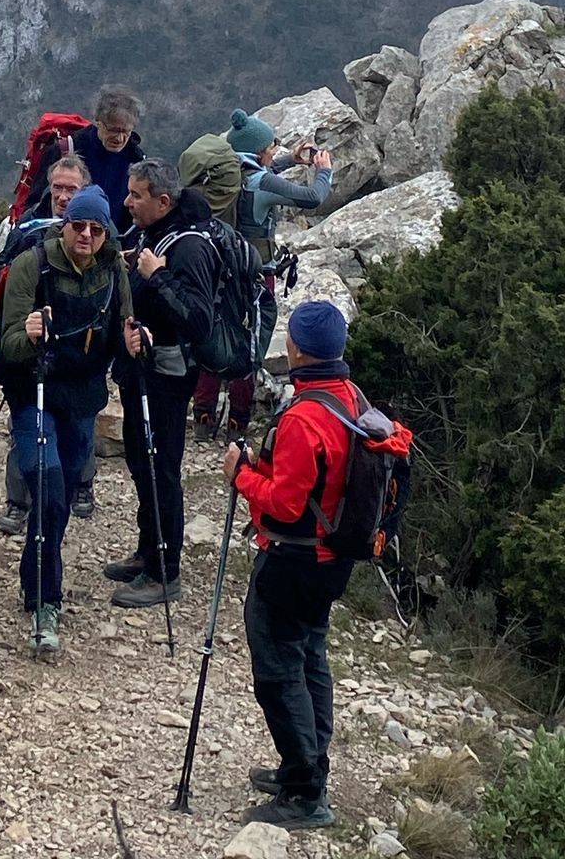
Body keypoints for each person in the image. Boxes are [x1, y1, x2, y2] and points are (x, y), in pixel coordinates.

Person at [223, 300, 357, 832]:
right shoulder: (350, 398)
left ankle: (304, 792)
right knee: (310, 658)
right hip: (332, 559)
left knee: (279, 670)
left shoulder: (304, 417)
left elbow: (285, 504)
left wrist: (241, 475)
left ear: (297, 349)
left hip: (294, 560)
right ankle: (308, 764)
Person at [0, 188, 138, 654]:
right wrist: (28, 334)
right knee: (50, 490)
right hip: (33, 391)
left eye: (96, 229)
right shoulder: (31, 266)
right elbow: (7, 345)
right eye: (79, 226)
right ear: (64, 226)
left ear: (106, 233)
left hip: (82, 399)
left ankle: (34, 575)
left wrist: (132, 345)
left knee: (59, 497)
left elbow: (121, 330)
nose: (87, 236)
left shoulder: (113, 269)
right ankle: (46, 603)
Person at [106, 158, 217, 608]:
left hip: (169, 380)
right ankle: (147, 551)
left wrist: (156, 276)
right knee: (140, 460)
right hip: (142, 371)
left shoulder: (189, 247)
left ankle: (164, 571)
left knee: (161, 469)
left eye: (137, 195)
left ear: (164, 201)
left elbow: (198, 321)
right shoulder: (154, 234)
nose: (127, 202)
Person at [195, 109, 335, 438]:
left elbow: (260, 170)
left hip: (218, 270)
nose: (274, 150)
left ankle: (203, 418)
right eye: (271, 146)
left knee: (214, 337)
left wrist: (289, 160)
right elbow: (312, 198)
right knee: (250, 343)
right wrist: (323, 172)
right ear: (259, 151)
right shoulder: (263, 182)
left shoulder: (225, 174)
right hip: (256, 276)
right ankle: (237, 422)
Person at [0, 155, 102, 533]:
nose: (63, 196)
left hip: (80, 353)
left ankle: (82, 485)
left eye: (71, 189)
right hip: (32, 349)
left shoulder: (97, 231)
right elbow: (1, 279)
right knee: (26, 425)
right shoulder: (28, 229)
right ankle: (18, 501)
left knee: (82, 423)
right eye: (57, 187)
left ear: (84, 190)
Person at [26, 85, 145, 222]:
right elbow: (35, 204)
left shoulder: (136, 160)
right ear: (98, 122)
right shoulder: (66, 150)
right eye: (113, 130)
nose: (119, 138)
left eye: (126, 132)